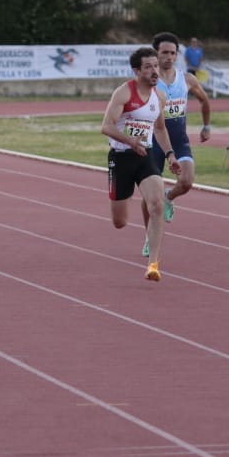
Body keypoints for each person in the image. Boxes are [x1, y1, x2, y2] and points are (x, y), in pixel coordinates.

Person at [101, 47, 182, 282]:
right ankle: (127, 198)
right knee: (120, 222)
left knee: (156, 205)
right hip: (121, 158)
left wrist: (170, 154)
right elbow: (106, 126)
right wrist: (130, 141)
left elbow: (159, 128)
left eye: (156, 66)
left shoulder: (160, 96)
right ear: (137, 71)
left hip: (145, 156)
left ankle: (153, 264)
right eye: (148, 67)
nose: (155, 71)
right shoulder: (124, 93)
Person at [151, 31, 212, 223]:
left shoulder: (187, 79)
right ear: (156, 54)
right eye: (164, 52)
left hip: (178, 139)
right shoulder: (149, 82)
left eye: (172, 53)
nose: (169, 57)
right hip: (153, 141)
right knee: (151, 195)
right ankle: (150, 234)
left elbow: (204, 100)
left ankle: (169, 197)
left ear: (177, 55)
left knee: (186, 182)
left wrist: (206, 126)